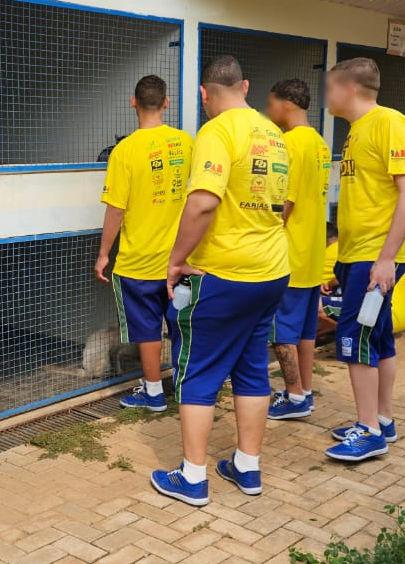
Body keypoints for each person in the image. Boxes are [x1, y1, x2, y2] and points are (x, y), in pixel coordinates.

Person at [150, 55, 289, 506]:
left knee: (198, 371)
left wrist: (176, 259)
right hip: (272, 271)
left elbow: (204, 202)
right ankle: (246, 467)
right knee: (251, 367)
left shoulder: (216, 131)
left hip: (226, 274)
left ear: (204, 94)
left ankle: (193, 478)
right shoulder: (272, 133)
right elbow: (283, 205)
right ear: (245, 86)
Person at [324, 57, 405, 462]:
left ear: (349, 88)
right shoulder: (356, 132)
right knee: (378, 338)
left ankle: (367, 432)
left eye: (330, 88)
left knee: (355, 339)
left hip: (374, 255)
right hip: (357, 254)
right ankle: (382, 419)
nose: (326, 96)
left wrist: (386, 259)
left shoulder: (390, 123)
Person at [95, 75, 194, 411]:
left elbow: (116, 210)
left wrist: (104, 253)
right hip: (181, 260)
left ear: (132, 102)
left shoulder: (124, 151)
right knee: (183, 324)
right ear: (166, 102)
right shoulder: (186, 143)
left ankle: (153, 394)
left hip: (139, 262)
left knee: (148, 329)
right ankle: (187, 391)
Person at [265, 79, 331, 420]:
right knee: (305, 331)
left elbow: (285, 200)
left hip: (289, 254)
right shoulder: (319, 143)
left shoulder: (288, 143)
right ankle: (304, 391)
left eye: (271, 103)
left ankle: (293, 397)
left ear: (286, 103)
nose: (268, 110)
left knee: (281, 332)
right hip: (312, 253)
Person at [319, 231, 405, 337]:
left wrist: (329, 283)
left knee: (314, 303)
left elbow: (320, 288)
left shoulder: (337, 252)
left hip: (380, 316)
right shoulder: (373, 252)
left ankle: (344, 330)